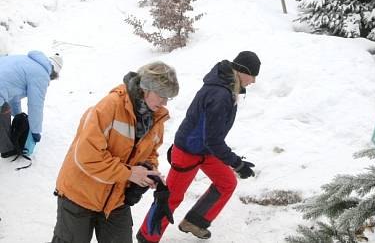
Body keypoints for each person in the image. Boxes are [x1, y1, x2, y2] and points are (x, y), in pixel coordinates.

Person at [137, 51, 261, 242]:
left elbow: (211, 140)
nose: (253, 81)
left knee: (227, 183)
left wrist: (232, 162)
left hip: (206, 150)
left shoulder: (227, 88)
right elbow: (213, 140)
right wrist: (237, 164)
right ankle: (147, 236)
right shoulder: (219, 94)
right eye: (253, 76)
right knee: (171, 198)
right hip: (188, 151)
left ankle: (195, 222)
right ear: (243, 71)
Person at [51, 61, 179, 243]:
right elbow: (87, 157)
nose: (165, 102)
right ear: (146, 88)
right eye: (162, 95)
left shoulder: (156, 120)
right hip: (79, 196)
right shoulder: (110, 106)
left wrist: (148, 172)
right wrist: (129, 173)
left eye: (169, 97)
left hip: (116, 201)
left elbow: (151, 153)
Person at [0, 50, 63, 156]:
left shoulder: (26, 61)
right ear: (54, 73)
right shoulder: (41, 74)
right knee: (3, 111)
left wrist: (18, 116)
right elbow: (35, 106)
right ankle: (8, 150)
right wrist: (35, 131)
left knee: (4, 106)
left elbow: (13, 94)